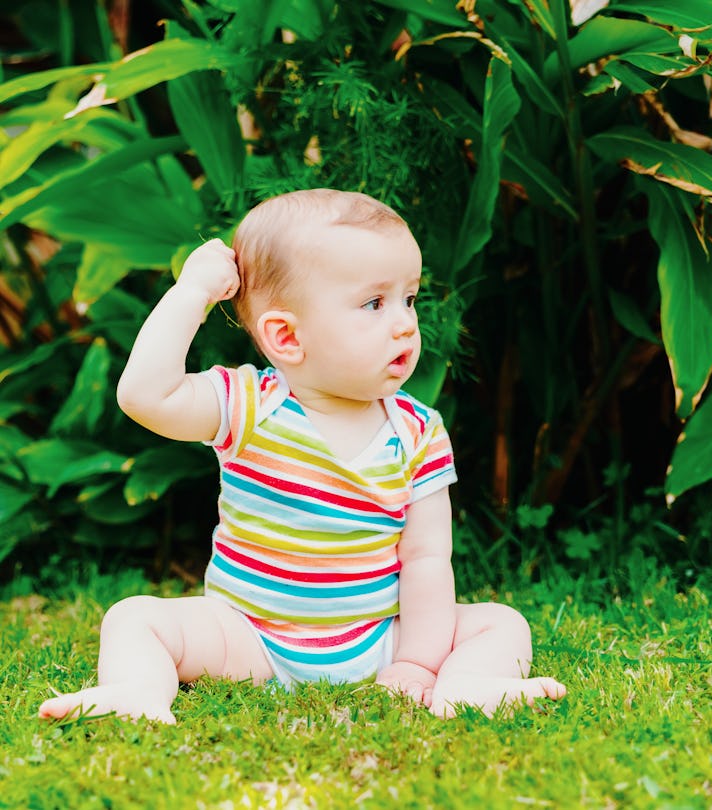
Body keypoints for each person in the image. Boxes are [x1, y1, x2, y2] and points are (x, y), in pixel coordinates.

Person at [38, 188, 566, 724]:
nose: (406, 323)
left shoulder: (418, 432)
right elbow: (145, 396)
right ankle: (136, 691)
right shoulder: (246, 406)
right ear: (286, 336)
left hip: (376, 638)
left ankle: (465, 685)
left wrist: (416, 664)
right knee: (134, 618)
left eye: (410, 298)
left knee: (501, 624)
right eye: (374, 304)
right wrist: (192, 292)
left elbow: (426, 560)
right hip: (248, 638)